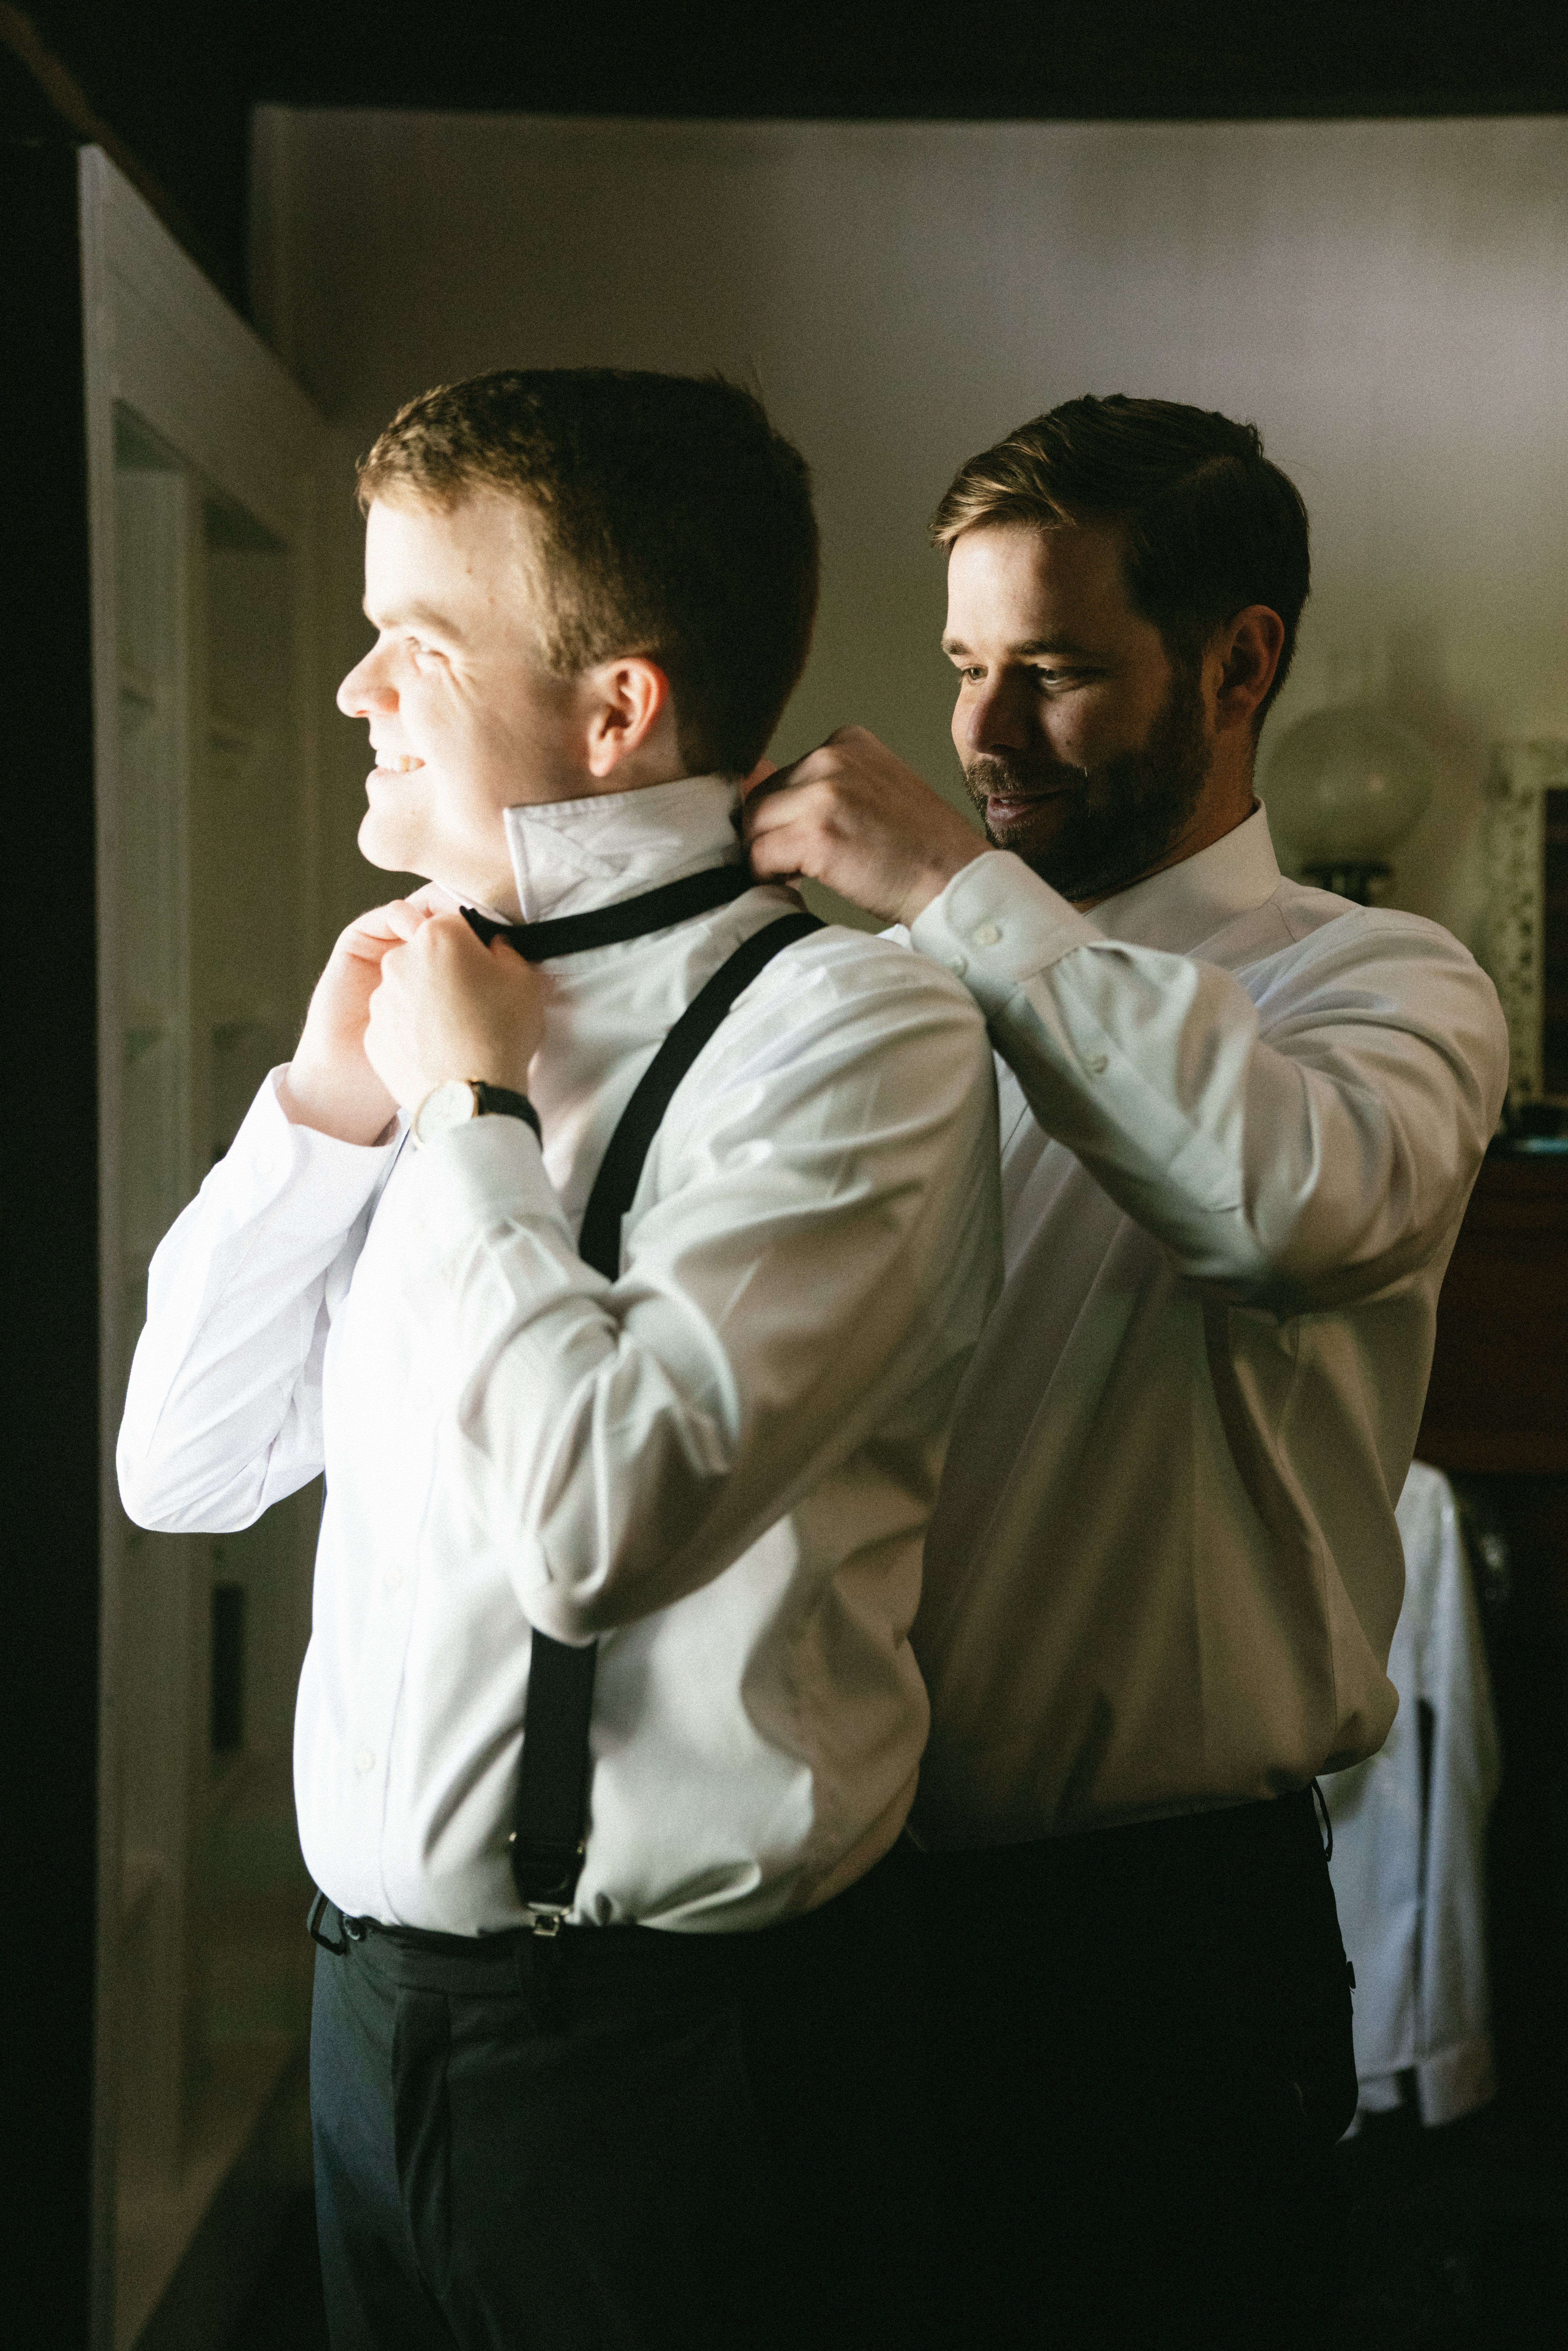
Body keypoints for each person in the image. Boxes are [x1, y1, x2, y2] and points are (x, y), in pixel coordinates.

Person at [117, 368, 1000, 2351]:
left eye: (409, 648)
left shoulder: (860, 1040)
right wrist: (330, 1117)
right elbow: (177, 1467)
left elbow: (605, 1520)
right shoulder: (420, 1012)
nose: (357, 694)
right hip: (370, 2027)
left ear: (615, 710)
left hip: (664, 2074)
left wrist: (467, 1129)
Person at [743, 394, 1509, 2347]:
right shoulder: (896, 998)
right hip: (836, 1918)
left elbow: (1286, 1213)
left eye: (1057, 673)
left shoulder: (1379, 981)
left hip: (1160, 1955)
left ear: (1238, 660)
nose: (981, 737)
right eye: (964, 671)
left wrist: (951, 899)